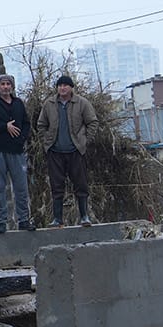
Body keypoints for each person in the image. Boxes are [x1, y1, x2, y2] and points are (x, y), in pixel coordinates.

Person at [35, 74, 100, 226]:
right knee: (56, 186)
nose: (62, 88)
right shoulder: (49, 104)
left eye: (65, 85)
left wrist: (85, 141)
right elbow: (41, 124)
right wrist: (47, 141)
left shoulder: (81, 103)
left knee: (81, 184)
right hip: (55, 152)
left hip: (76, 151)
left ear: (71, 87)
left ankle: (84, 216)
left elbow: (93, 122)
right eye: (60, 85)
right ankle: (57, 219)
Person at [0, 74, 34, 233]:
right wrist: (4, 126)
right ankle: (1, 222)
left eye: (8, 84)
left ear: (12, 86)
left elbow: (26, 123)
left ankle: (23, 220)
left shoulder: (18, 103)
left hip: (16, 151)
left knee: (21, 188)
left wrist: (22, 138)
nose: (5, 87)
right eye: (2, 84)